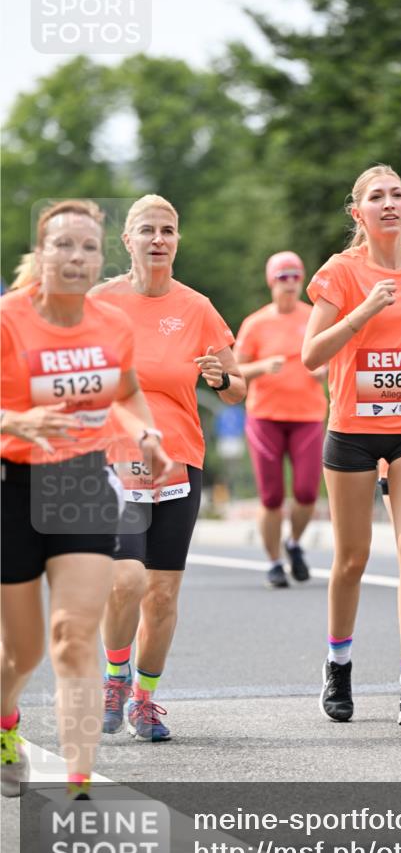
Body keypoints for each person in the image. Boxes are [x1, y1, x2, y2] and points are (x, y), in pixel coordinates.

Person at [0, 200, 172, 798]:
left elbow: (125, 393)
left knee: (74, 636)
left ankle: (79, 788)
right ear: (41, 253)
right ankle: (5, 720)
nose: (76, 257)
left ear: (101, 258)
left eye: (87, 248)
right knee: (21, 653)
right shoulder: (9, 320)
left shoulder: (110, 325)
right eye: (63, 246)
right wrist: (14, 423)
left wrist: (145, 433)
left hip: (80, 481)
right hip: (12, 486)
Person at [90, 195, 246, 742]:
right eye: (147, 230)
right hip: (114, 458)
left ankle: (145, 700)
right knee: (125, 580)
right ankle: (114, 675)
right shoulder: (99, 303)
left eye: (169, 231)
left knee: (161, 593)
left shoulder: (198, 308)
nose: (159, 239)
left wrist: (220, 379)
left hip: (180, 460)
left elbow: (237, 390)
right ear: (127, 240)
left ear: (178, 241)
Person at [302, 164, 401, 727]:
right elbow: (311, 356)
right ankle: (338, 663)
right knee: (352, 559)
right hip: (353, 430)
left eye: (397, 195)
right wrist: (365, 311)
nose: (389, 204)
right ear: (357, 212)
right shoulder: (341, 272)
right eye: (376, 197)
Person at [235, 252, 328, 588]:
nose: (289, 284)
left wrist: (324, 370)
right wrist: (261, 367)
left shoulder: (314, 317)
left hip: (307, 415)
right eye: (282, 277)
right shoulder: (256, 323)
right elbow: (235, 370)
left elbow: (329, 356)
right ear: (271, 281)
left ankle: (294, 544)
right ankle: (274, 562)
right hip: (266, 417)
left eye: (294, 277)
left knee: (306, 492)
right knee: (271, 497)